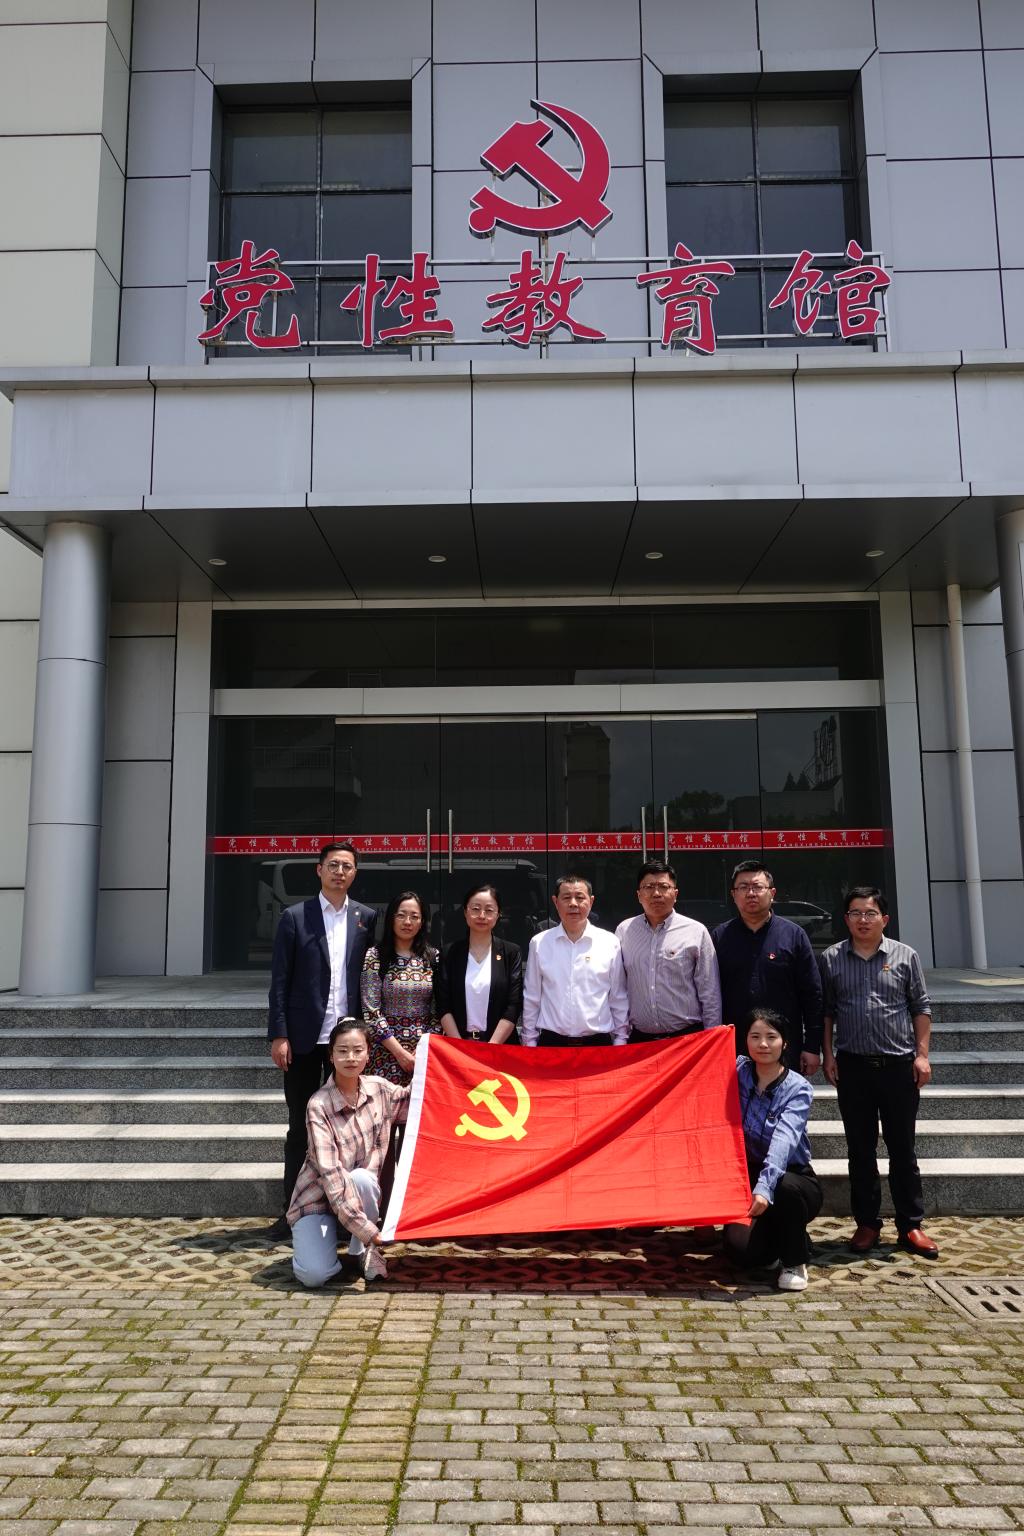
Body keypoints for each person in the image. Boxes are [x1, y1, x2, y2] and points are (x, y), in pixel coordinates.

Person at [266, 841, 377, 1239]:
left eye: (347, 866)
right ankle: (291, 1212)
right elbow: (280, 981)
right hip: (302, 1037)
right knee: (301, 1125)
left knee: (349, 1126)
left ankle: (346, 1211)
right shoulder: (295, 917)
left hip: (347, 1042)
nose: (340, 872)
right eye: (333, 865)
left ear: (354, 873)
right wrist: (279, 1034)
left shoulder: (366, 918)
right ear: (319, 870)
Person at [820, 885, 937, 1259]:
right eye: (855, 913)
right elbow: (827, 1012)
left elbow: (920, 1007)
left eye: (870, 913)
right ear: (846, 919)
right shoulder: (832, 958)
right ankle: (867, 1223)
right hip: (853, 1067)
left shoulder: (905, 956)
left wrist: (922, 1056)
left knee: (903, 1148)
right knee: (860, 1149)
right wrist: (827, 1055)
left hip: (898, 1067)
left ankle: (911, 1225)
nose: (863, 920)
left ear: (884, 919)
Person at [288, 1019, 406, 1287]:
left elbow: (420, 1101)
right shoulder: (318, 1105)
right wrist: (369, 1231)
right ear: (331, 1056)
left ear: (368, 1054)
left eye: (357, 1050)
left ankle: (360, 1252)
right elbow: (331, 1174)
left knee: (363, 1178)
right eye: (342, 1051)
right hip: (318, 1201)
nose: (350, 1058)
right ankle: (328, 1242)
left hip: (360, 1194)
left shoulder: (380, 1089)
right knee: (313, 1276)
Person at [723, 1008, 823, 1292]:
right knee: (740, 1252)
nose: (763, 1044)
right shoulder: (738, 1071)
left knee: (783, 1188)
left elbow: (783, 1141)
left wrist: (764, 1188)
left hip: (793, 1178)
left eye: (771, 1037)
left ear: (785, 1043)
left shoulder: (798, 1088)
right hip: (750, 1174)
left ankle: (795, 1262)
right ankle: (785, 1238)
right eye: (755, 1037)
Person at [711, 859, 823, 1076]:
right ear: (733, 895)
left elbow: (812, 995)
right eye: (743, 887)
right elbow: (709, 995)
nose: (750, 893)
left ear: (772, 893)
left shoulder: (794, 935)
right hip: (733, 1045)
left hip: (784, 1044)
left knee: (783, 1096)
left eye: (757, 887)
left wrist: (812, 1046)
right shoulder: (720, 937)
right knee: (737, 1097)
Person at [615, 859, 722, 1042]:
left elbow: (709, 992)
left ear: (675, 893)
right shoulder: (624, 931)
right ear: (639, 895)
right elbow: (618, 989)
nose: (656, 893)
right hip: (640, 1041)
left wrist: (712, 1040)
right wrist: (620, 1037)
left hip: (686, 1038)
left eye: (664, 887)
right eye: (649, 887)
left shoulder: (696, 931)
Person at [521, 874, 629, 1047]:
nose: (573, 904)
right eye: (566, 898)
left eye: (580, 897)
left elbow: (618, 997)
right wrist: (529, 1040)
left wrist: (621, 1038)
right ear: (555, 902)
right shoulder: (540, 943)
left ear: (591, 901)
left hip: (598, 1043)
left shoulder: (609, 942)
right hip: (552, 1043)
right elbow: (532, 997)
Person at [361, 890, 440, 1083]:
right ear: (391, 919)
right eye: (401, 915)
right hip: (385, 1051)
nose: (407, 922)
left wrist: (422, 1049)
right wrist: (399, 1052)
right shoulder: (375, 956)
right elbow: (371, 1011)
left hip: (424, 1053)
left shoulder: (432, 957)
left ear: (422, 922)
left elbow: (440, 1010)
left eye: (414, 917)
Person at [437, 883, 523, 1043]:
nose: (482, 915)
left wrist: (491, 1047)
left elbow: (514, 1005)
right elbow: (443, 1004)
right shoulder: (450, 953)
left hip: (500, 1047)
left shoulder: (511, 952)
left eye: (489, 910)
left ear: (498, 914)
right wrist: (459, 1046)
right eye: (476, 909)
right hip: (459, 1046)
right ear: (465, 912)